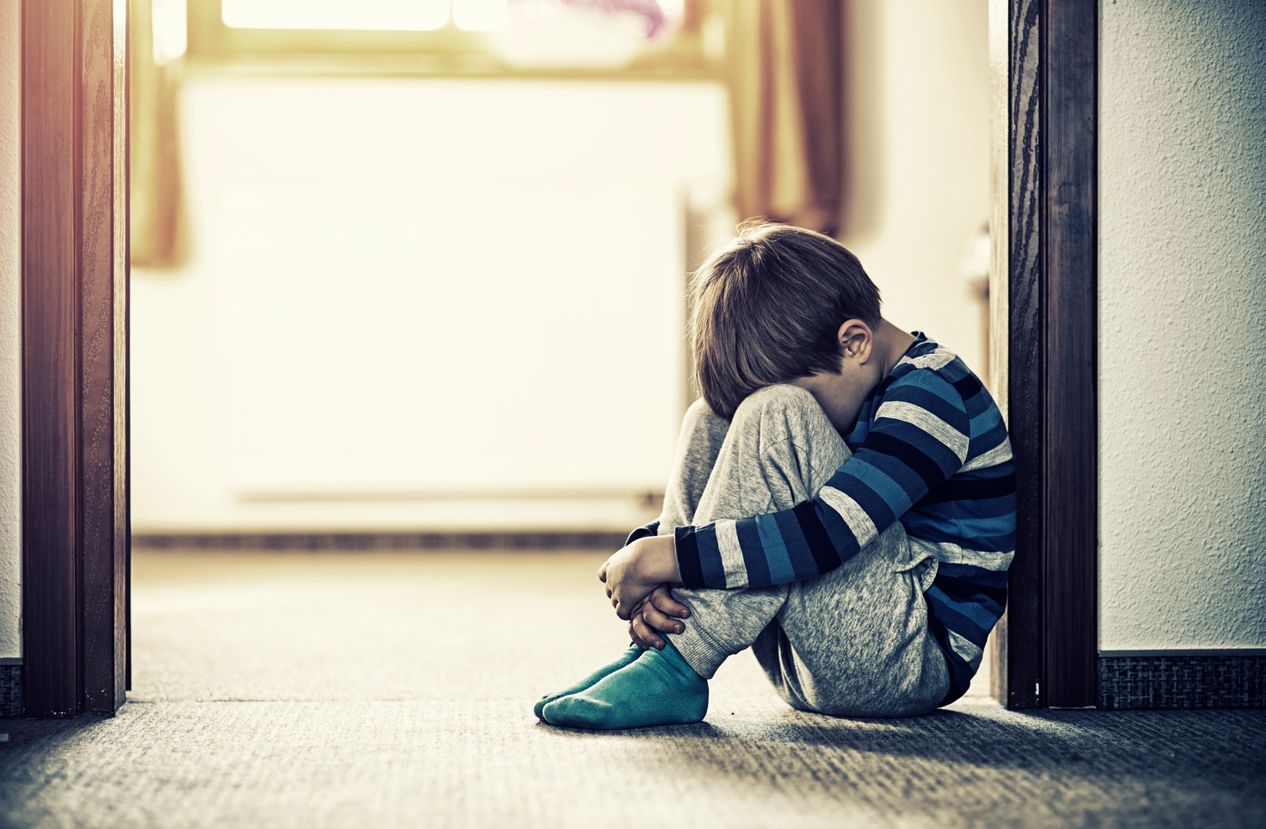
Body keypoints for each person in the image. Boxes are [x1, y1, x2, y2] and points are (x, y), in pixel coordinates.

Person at [534, 221, 1016, 729]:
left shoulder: (932, 397)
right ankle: (662, 643)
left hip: (905, 660)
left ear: (854, 342)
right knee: (711, 415)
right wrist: (663, 558)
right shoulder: (859, 377)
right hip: (807, 652)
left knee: (777, 411)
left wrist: (666, 555)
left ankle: (678, 667)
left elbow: (827, 533)